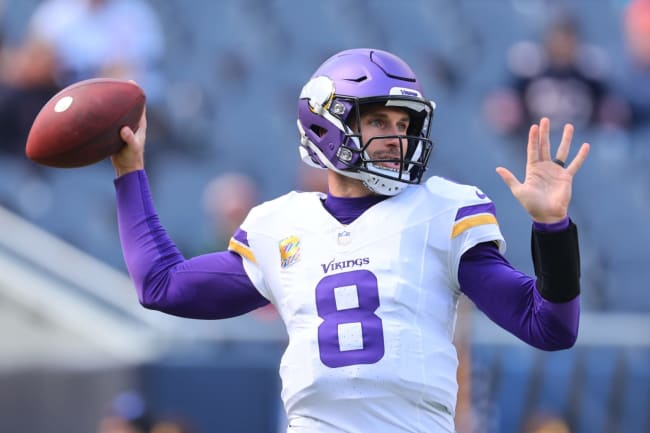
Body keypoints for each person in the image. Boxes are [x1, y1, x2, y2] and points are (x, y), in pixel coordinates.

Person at [111, 48, 589, 433]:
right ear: (326, 124)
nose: (396, 139)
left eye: (404, 125)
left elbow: (549, 326)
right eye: (380, 121)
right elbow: (161, 285)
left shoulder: (439, 212)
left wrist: (552, 229)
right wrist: (130, 172)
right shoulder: (281, 225)